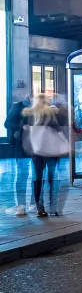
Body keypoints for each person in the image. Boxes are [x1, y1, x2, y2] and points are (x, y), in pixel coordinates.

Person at [23, 94, 70, 217]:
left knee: (38, 178)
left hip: (36, 150)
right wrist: (65, 143)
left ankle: (40, 207)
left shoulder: (29, 114)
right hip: (51, 150)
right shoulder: (50, 112)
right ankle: (53, 207)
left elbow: (19, 127)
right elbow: (58, 128)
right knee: (52, 178)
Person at [3, 86, 32, 217]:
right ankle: (21, 205)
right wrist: (22, 126)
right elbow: (7, 123)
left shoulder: (40, 108)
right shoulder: (18, 107)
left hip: (37, 145)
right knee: (22, 174)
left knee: (37, 176)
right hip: (22, 145)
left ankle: (35, 204)